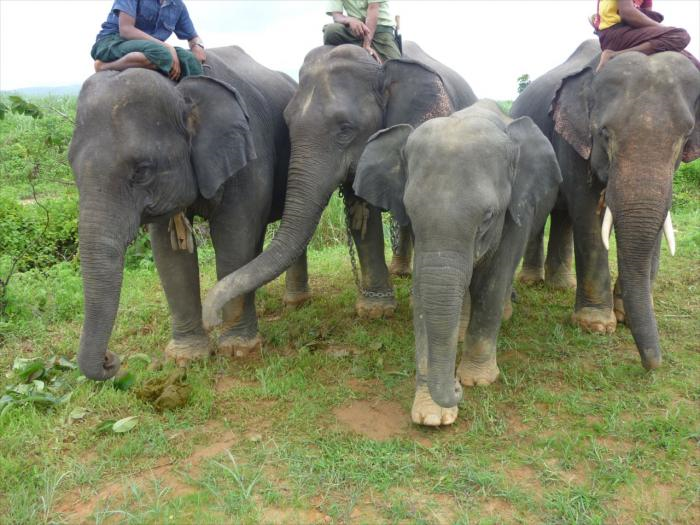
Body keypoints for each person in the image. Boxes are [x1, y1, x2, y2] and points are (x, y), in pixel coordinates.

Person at [91, 0, 206, 81]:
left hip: (151, 48)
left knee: (189, 59)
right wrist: (168, 47)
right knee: (162, 53)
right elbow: (126, 30)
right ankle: (103, 66)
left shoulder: (178, 5)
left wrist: (197, 46)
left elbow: (193, 37)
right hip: (113, 42)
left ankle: (195, 106)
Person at [593, 0, 700, 72]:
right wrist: (664, 29)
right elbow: (626, 12)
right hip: (614, 32)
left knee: (692, 59)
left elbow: (647, 18)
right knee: (680, 35)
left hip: (631, 32)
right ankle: (614, 55)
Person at [323, 1, 401, 63]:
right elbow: (336, 15)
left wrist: (367, 44)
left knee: (396, 68)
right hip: (356, 30)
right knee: (331, 31)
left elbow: (373, 8)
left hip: (380, 30)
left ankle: (369, 48)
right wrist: (350, 20)